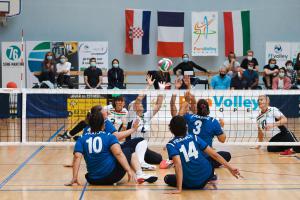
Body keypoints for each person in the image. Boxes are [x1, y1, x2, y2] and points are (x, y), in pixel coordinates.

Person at [65, 105, 157, 186]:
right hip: (112, 177)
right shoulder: (109, 136)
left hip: (92, 180)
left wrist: (74, 176)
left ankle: (141, 166)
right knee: (128, 149)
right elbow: (118, 153)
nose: (106, 112)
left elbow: (77, 157)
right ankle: (140, 173)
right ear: (103, 124)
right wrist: (128, 170)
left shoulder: (82, 138)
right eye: (104, 111)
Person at [164, 115, 241, 193]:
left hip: (192, 184)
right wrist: (230, 168)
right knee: (219, 156)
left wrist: (179, 189)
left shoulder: (171, 145)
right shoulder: (194, 137)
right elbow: (215, 155)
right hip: (207, 174)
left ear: (171, 129)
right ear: (186, 127)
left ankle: (203, 177)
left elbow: (178, 165)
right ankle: (212, 176)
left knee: (167, 178)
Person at [170, 94, 231, 168]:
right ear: (208, 109)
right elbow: (222, 140)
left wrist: (186, 101)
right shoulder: (213, 122)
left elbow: (179, 116)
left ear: (197, 109)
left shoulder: (190, 117)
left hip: (191, 156)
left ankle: (187, 162)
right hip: (205, 157)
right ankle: (205, 165)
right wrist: (221, 127)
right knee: (227, 155)